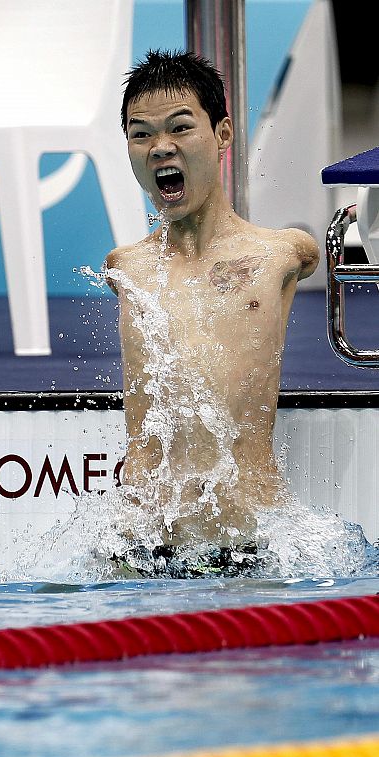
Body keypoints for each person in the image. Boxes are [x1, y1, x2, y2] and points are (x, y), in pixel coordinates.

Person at [103, 50, 319, 578]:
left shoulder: (279, 256)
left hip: (250, 545)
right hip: (139, 546)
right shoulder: (126, 266)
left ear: (223, 135)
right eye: (141, 134)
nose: (161, 148)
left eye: (180, 127)